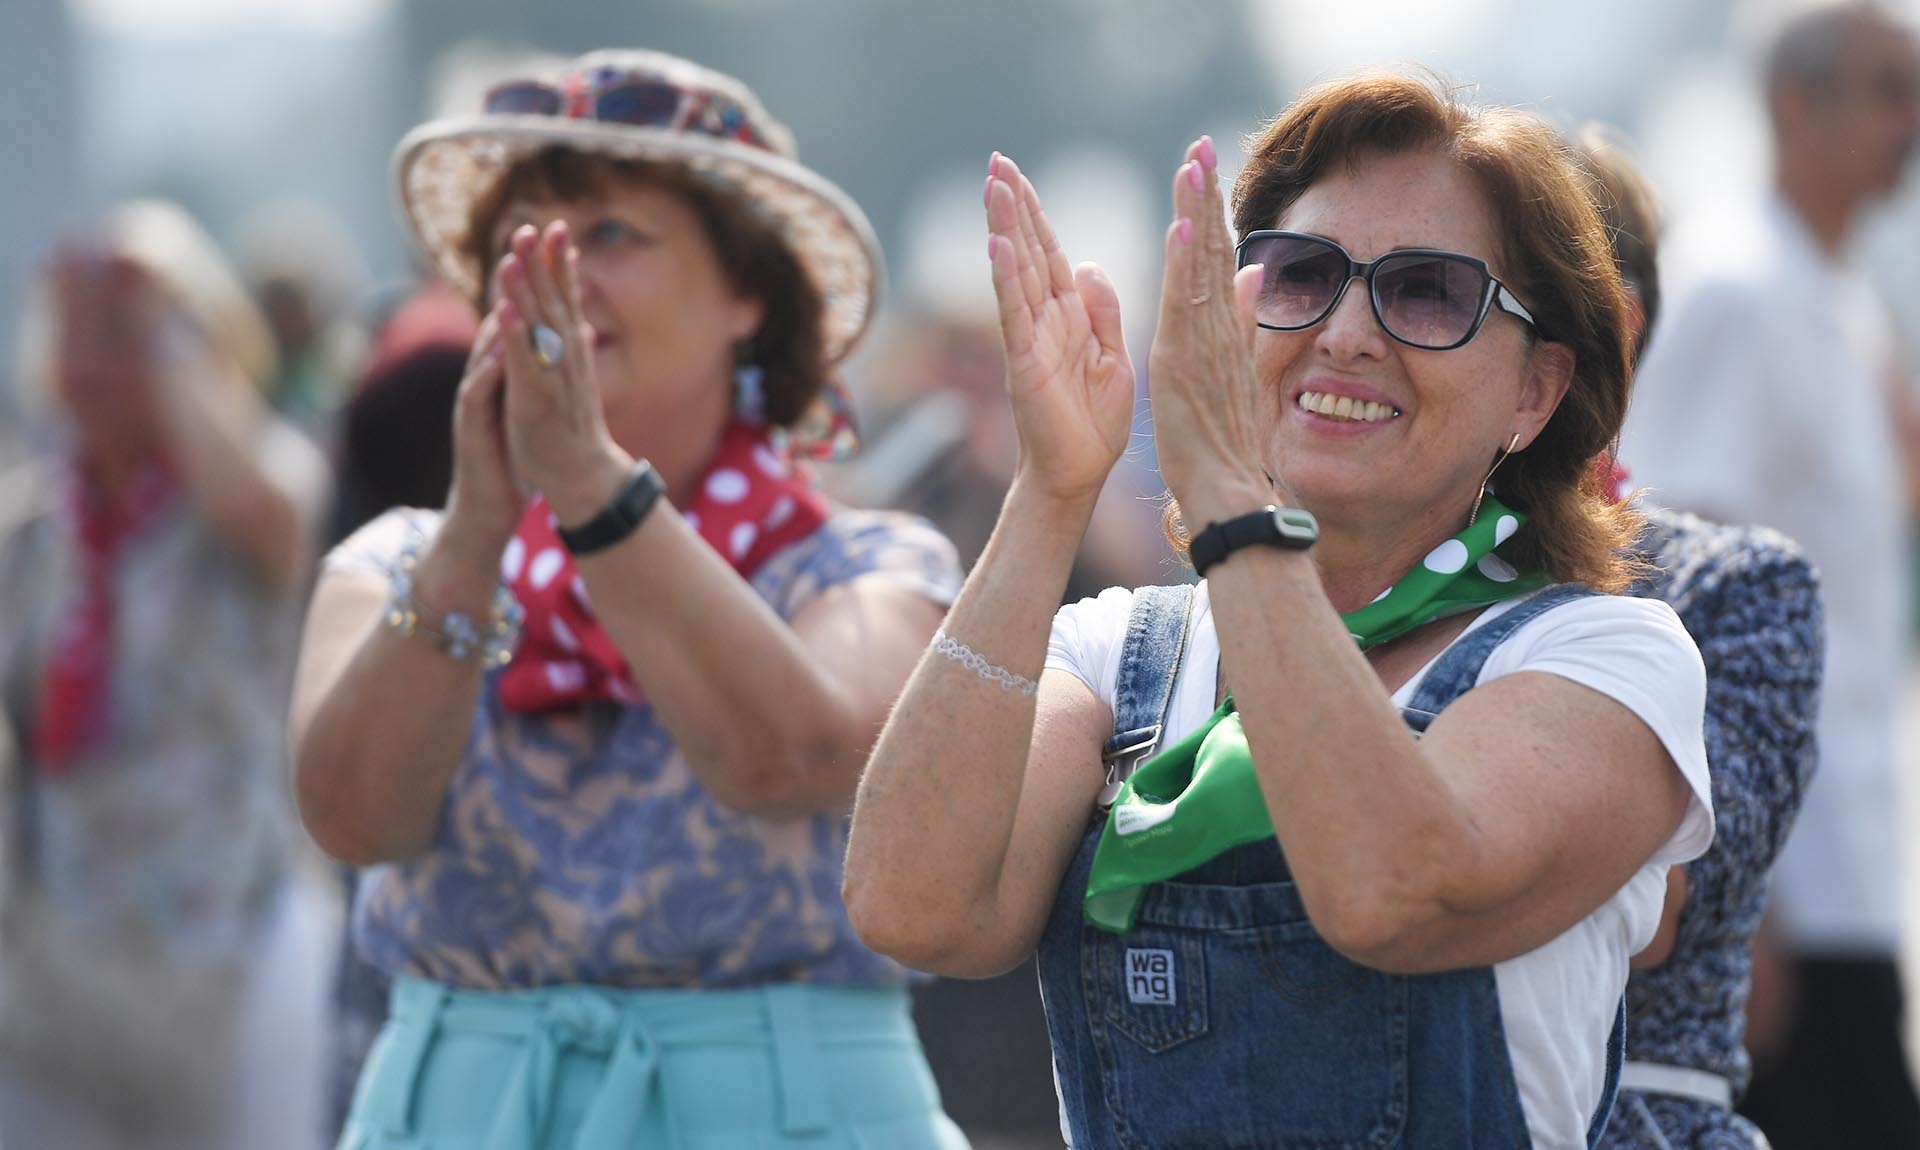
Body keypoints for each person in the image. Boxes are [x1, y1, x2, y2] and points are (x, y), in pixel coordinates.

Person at [845, 71, 1713, 1148]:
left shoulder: (1602, 656)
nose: (1348, 332)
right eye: (1302, 276)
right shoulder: (1118, 651)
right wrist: (1052, 490)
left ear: (1534, 393)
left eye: (1428, 291)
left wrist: (1226, 497)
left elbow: (1386, 890)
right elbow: (915, 905)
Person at [293, 49, 968, 1149]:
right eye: (527, 242)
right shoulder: (400, 562)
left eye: (612, 234)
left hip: (792, 1114)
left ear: (748, 292)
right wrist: (476, 533)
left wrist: (592, 488)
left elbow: (790, 759)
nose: (562, 279)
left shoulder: (867, 569)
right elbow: (352, 816)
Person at [1617, 5, 1920, 1144]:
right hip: (1786, 880)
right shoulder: (1736, 290)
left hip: (1852, 853)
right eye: (1888, 89)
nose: (1912, 123)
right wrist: (1753, 899)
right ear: (1795, 102)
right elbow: (1674, 589)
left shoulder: (1840, 302)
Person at [0, 201, 331, 1148]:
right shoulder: (33, 531)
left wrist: (161, 309)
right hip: (60, 967)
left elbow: (254, 501)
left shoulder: (254, 488)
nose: (100, 360)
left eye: (129, 334)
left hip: (232, 944)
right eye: (79, 331)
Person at [1573, 126, 1825, 1150]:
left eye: (1450, 292)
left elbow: (1643, 917)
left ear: (1612, 331)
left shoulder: (1740, 585)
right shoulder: (1336, 572)